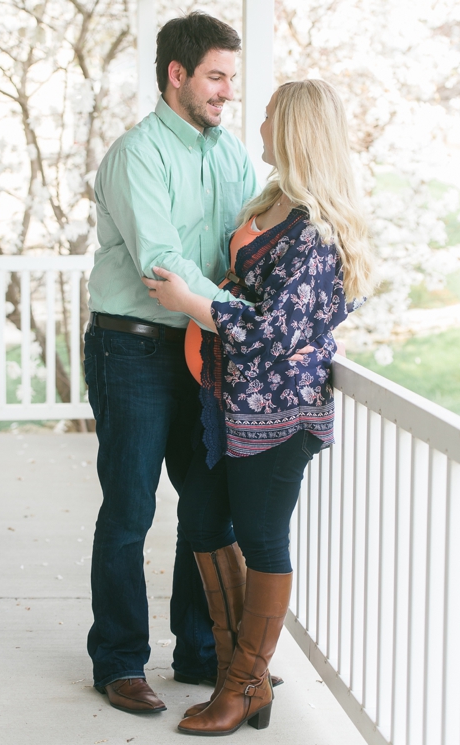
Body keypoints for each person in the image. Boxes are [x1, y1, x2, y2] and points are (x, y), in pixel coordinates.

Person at [143, 79, 373, 736]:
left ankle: (244, 682)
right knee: (201, 517)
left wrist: (192, 304)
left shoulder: (316, 233)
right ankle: (239, 677)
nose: (260, 123)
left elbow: (276, 332)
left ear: (296, 129)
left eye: (270, 115)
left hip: (280, 412)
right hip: (231, 402)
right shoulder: (273, 200)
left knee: (262, 537)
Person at [85, 12, 258, 713]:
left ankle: (201, 651)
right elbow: (162, 262)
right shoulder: (138, 154)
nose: (227, 92)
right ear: (176, 75)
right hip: (133, 346)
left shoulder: (233, 153)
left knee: (207, 506)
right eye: (215, 77)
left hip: (203, 346)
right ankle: (119, 660)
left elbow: (248, 245)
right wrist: (244, 316)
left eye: (231, 79)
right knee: (130, 507)